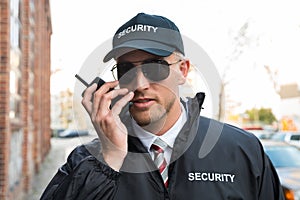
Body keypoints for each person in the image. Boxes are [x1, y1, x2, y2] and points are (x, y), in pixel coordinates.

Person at [41, 13, 284, 200]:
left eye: (154, 66)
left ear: (183, 70)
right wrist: (109, 159)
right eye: (126, 69)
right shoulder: (87, 160)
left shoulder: (242, 150)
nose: (140, 83)